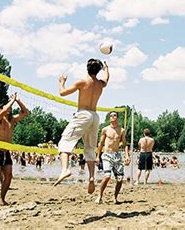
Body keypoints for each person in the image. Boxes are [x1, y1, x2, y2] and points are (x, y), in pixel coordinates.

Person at [53, 59, 110, 195]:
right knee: (90, 148)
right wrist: (106, 68)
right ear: (98, 70)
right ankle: (91, 176)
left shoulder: (82, 82)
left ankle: (65, 169)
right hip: (95, 116)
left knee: (65, 141)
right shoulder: (100, 84)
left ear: (87, 69)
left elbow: (62, 93)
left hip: (83, 114)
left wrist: (62, 82)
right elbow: (107, 78)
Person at [0, 93, 29, 206]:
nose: (9, 109)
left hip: (6, 151)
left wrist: (18, 101)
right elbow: (4, 110)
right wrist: (12, 101)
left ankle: (2, 199)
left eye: (10, 108)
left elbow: (26, 113)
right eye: (7, 107)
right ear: (0, 109)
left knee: (9, 175)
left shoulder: (12, 120)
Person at [95, 111, 130, 204]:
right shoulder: (105, 129)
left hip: (117, 155)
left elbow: (125, 144)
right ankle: (99, 196)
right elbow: (100, 143)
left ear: (117, 118)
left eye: (114, 115)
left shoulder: (121, 130)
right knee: (107, 176)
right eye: (111, 116)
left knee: (120, 178)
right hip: (107, 154)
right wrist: (98, 156)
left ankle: (115, 198)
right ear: (109, 118)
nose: (112, 117)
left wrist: (127, 155)